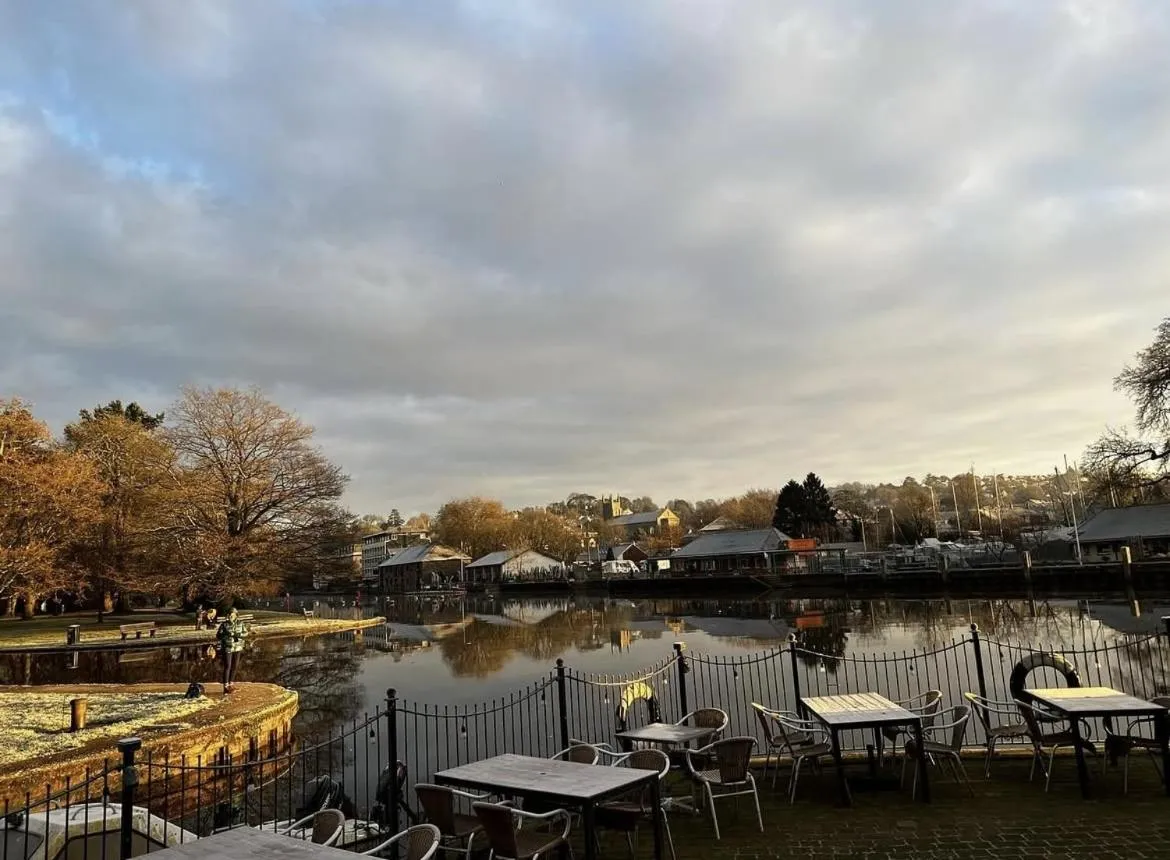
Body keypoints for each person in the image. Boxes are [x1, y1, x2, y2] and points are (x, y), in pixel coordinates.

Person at [215, 608, 248, 694]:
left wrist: (237, 635)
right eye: (229, 614)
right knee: (227, 666)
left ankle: (231, 684)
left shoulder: (240, 623)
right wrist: (226, 635)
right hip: (228, 647)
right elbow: (218, 635)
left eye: (232, 614)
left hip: (237, 647)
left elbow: (246, 633)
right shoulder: (224, 624)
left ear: (236, 615)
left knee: (235, 666)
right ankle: (225, 686)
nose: (230, 615)